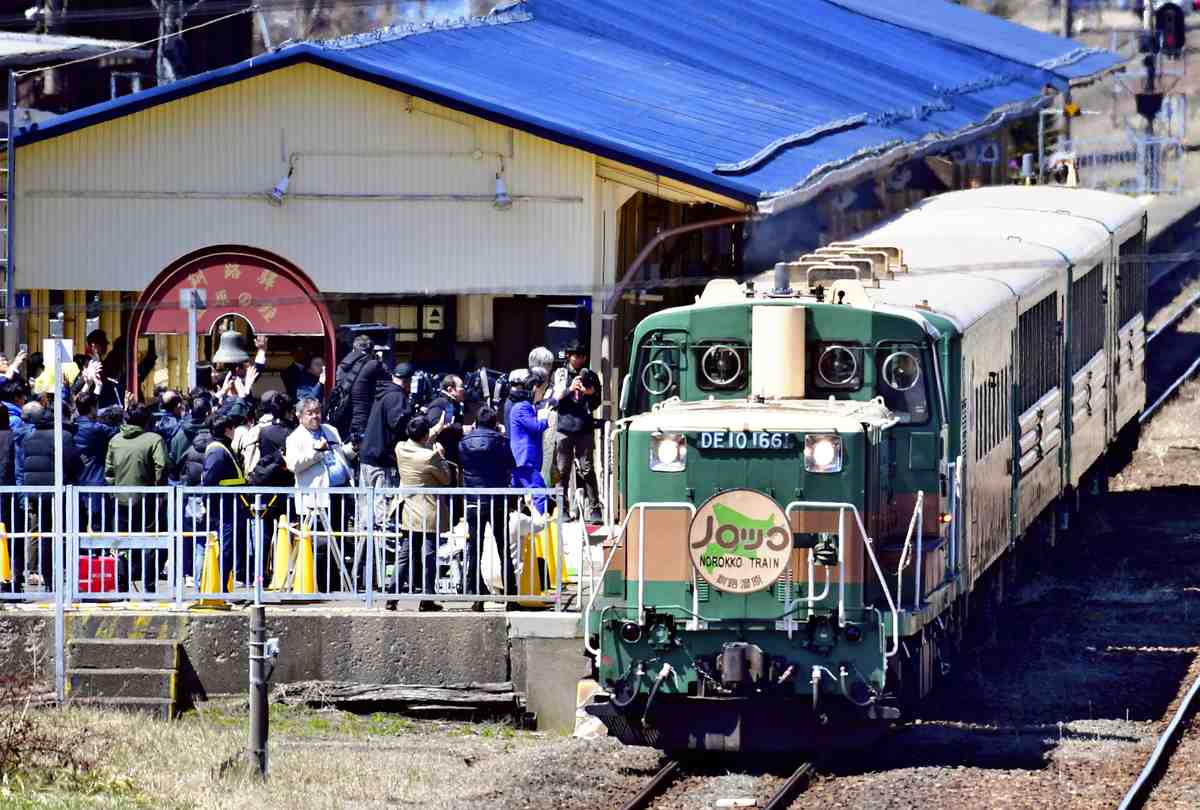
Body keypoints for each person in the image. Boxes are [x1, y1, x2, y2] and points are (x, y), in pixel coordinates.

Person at [285, 397, 357, 591]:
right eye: (310, 413)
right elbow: (293, 465)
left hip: (340, 491)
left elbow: (339, 453)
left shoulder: (330, 430)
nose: (315, 416)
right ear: (300, 416)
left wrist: (352, 448)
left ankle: (336, 582)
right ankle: (321, 583)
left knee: (339, 536)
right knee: (320, 540)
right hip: (316, 497)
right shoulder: (294, 438)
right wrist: (317, 453)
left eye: (317, 411)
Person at [16, 402, 81, 590]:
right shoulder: (64, 436)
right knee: (63, 534)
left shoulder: (26, 436)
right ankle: (61, 576)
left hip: (34, 493)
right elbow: (74, 463)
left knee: (42, 534)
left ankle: (47, 577)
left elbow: (22, 465)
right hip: (59, 492)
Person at [104, 404, 168, 593]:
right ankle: (149, 586)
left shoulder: (115, 440)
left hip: (120, 500)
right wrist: (159, 490)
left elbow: (108, 471)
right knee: (150, 540)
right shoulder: (154, 439)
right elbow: (161, 466)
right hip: (147, 498)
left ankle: (121, 584)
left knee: (122, 542)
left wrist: (114, 490)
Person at [458, 406, 515, 609]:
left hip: (474, 499)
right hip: (498, 500)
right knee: (503, 548)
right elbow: (511, 464)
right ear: (494, 423)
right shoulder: (501, 441)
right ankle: (511, 597)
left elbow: (462, 465)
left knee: (474, 548)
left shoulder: (464, 442)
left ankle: (476, 597)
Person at [394, 415, 449, 611]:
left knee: (405, 554)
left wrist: (437, 429)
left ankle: (392, 595)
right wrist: (441, 455)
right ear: (425, 436)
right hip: (428, 512)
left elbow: (420, 440)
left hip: (409, 510)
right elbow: (445, 478)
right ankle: (427, 599)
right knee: (429, 557)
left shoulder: (400, 448)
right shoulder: (430, 456)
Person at [359, 362, 413, 528]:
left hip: (368, 459)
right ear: (408, 382)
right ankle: (381, 553)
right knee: (383, 512)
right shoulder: (396, 397)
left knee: (366, 511)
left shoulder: (383, 393)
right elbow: (399, 424)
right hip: (382, 462)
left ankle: (365, 552)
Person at [554, 340, 602, 522]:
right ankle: (562, 509)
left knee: (588, 469)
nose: (581, 360)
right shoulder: (560, 373)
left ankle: (595, 508)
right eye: (577, 356)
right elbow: (555, 398)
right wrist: (569, 389)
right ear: (569, 356)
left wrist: (589, 392)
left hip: (584, 427)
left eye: (583, 356)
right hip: (565, 427)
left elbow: (597, 400)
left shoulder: (590, 375)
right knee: (562, 470)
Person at [201, 412, 250, 588]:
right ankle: (219, 587)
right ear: (227, 429)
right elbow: (209, 480)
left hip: (231, 504)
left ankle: (222, 587)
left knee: (231, 546)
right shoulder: (217, 450)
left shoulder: (223, 447)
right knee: (226, 547)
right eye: (233, 428)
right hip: (225, 506)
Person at [508, 367, 554, 516]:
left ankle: (520, 532)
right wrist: (545, 415)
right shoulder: (522, 407)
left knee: (517, 497)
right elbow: (537, 426)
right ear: (535, 388)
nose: (542, 393)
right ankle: (540, 532)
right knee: (540, 494)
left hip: (525, 460)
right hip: (525, 460)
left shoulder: (525, 406)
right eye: (542, 389)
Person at [74, 390, 120, 531]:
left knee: (79, 525)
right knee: (99, 524)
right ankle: (100, 552)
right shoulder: (97, 429)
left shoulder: (72, 426)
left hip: (76, 481)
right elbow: (119, 431)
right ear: (93, 408)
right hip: (96, 481)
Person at [425, 375, 466, 466]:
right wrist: (461, 428)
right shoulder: (440, 403)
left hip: (452, 454)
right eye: (462, 387)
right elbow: (434, 425)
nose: (464, 390)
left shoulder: (454, 404)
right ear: (450, 389)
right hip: (442, 456)